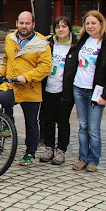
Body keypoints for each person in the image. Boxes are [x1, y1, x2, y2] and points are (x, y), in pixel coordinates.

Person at [62, 10, 106, 173]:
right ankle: (82, 158)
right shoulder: (82, 42)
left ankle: (93, 159)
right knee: (83, 126)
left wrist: (105, 95)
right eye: (87, 23)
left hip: (96, 92)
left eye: (94, 23)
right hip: (79, 88)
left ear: (101, 24)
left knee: (93, 128)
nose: (90, 26)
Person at [0, 11, 51, 166]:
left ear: (33, 24)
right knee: (3, 98)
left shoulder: (41, 42)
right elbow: (6, 59)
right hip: (11, 84)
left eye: (27, 23)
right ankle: (9, 122)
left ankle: (30, 152)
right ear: (16, 23)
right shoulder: (10, 38)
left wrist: (27, 76)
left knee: (31, 122)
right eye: (21, 23)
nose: (24, 26)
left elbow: (45, 67)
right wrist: (0, 73)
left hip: (30, 87)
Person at [38, 16, 77, 165]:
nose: (60, 29)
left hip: (65, 90)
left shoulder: (75, 46)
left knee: (62, 121)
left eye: (64, 26)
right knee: (48, 120)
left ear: (69, 28)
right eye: (57, 27)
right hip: (48, 88)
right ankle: (49, 148)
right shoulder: (48, 44)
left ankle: (61, 150)